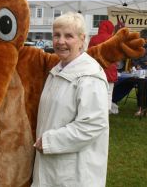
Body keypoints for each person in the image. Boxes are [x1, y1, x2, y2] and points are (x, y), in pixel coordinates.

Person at [32, 12, 109, 187]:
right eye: (56, 35)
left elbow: (93, 125)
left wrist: (50, 141)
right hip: (51, 167)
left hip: (74, 173)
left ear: (82, 40)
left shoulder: (89, 77)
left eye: (68, 36)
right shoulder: (57, 72)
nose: (60, 41)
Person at [88, 20, 118, 114]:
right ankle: (106, 113)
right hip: (110, 69)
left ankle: (95, 111)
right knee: (108, 93)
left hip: (96, 69)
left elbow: (89, 54)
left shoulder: (94, 39)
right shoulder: (113, 38)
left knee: (96, 92)